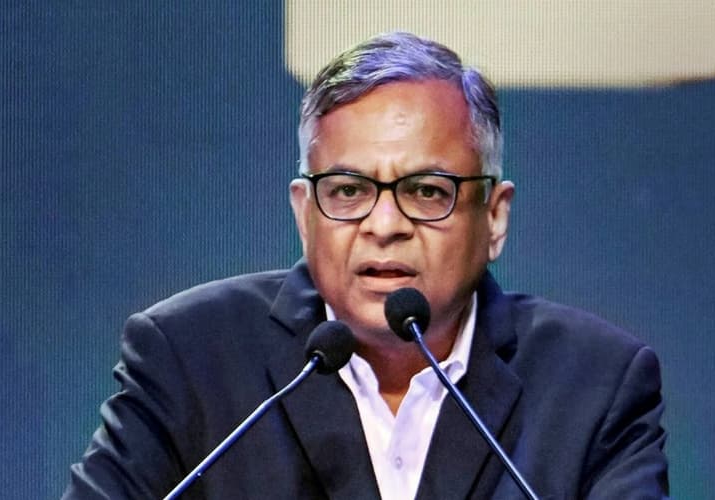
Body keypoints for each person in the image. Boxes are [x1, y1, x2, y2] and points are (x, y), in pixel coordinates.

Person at [64, 32, 669, 499]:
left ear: (494, 217)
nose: (384, 225)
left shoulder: (596, 387)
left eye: (427, 192)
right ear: (305, 214)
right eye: (349, 191)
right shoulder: (188, 358)